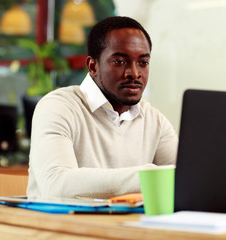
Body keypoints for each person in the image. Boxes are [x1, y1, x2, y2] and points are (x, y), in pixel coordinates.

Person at [26, 16, 178, 199]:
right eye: (120, 62)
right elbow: (56, 184)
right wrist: (148, 177)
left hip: (125, 225)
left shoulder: (154, 119)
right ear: (93, 66)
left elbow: (186, 178)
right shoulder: (58, 106)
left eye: (143, 63)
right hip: (58, 226)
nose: (135, 73)